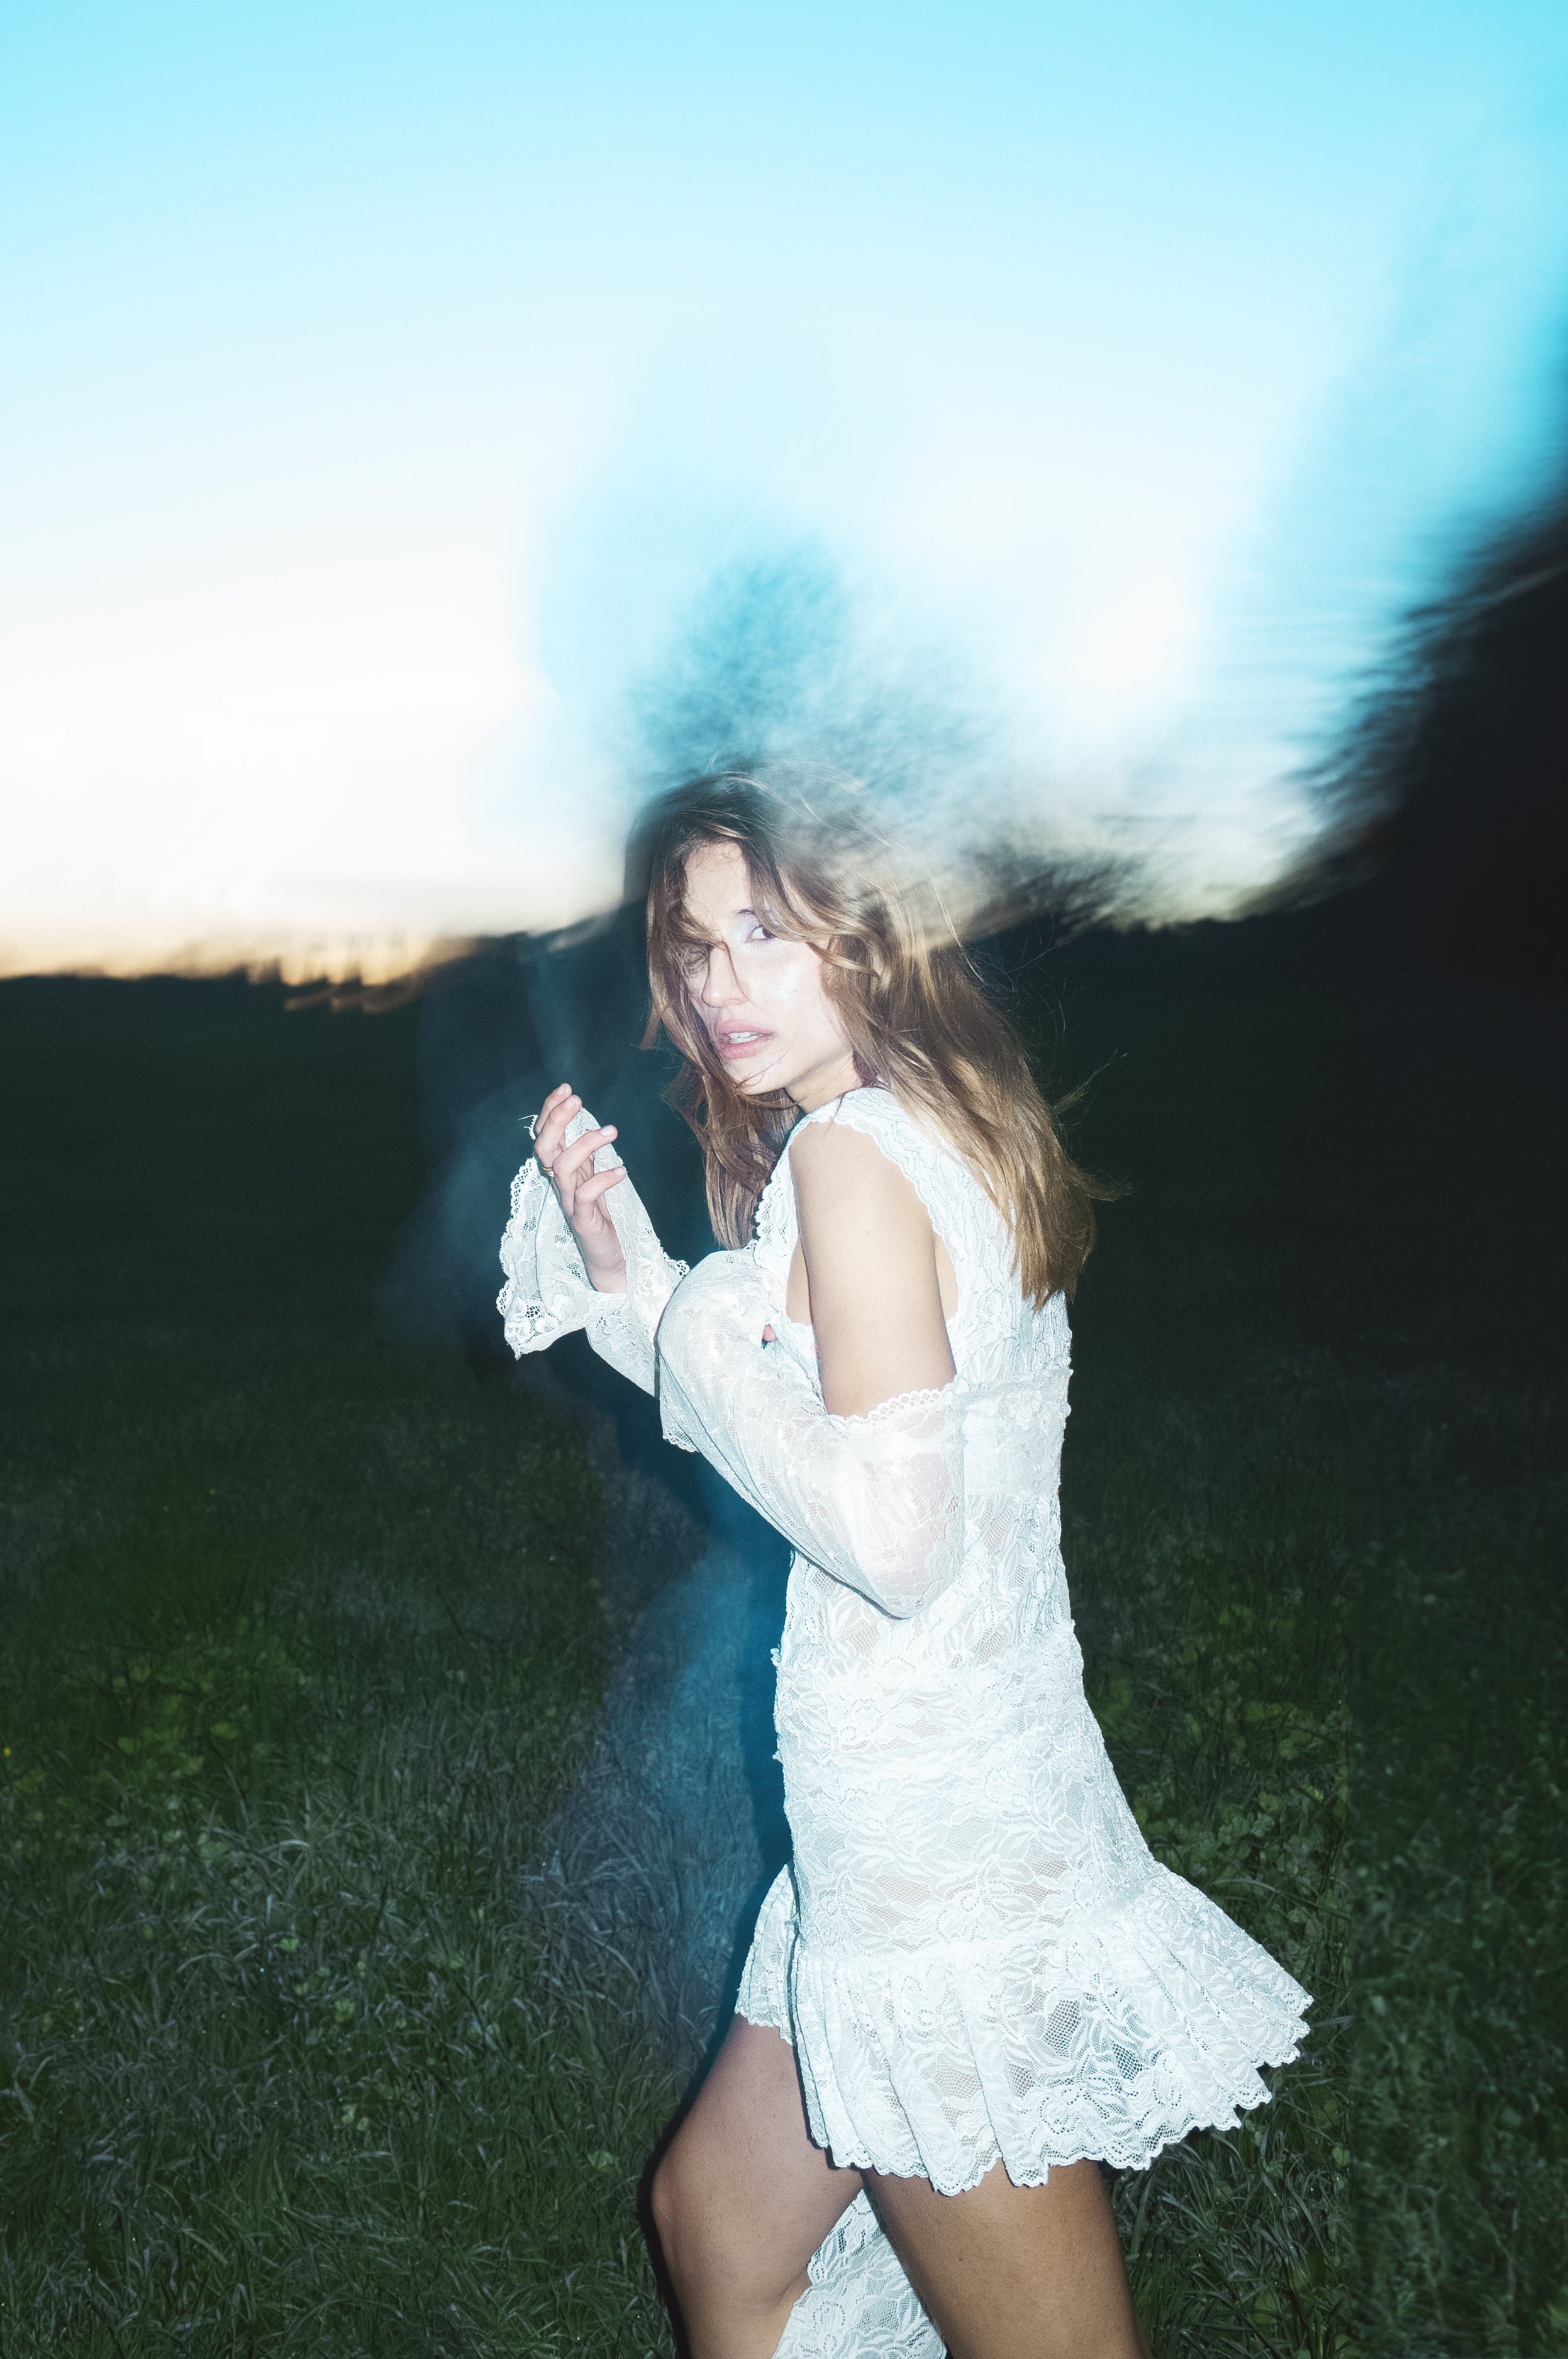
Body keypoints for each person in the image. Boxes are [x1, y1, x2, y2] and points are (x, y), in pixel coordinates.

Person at [499, 766, 1310, 2359]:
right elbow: (839, 1440)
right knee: (715, 2234)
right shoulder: (928, 1127)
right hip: (923, 1815)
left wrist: (680, 1319)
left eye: (765, 932)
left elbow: (891, 1538)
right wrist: (638, 1288)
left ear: (864, 937)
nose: (721, 986)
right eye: (691, 945)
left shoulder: (849, 1160)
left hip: (937, 1881)